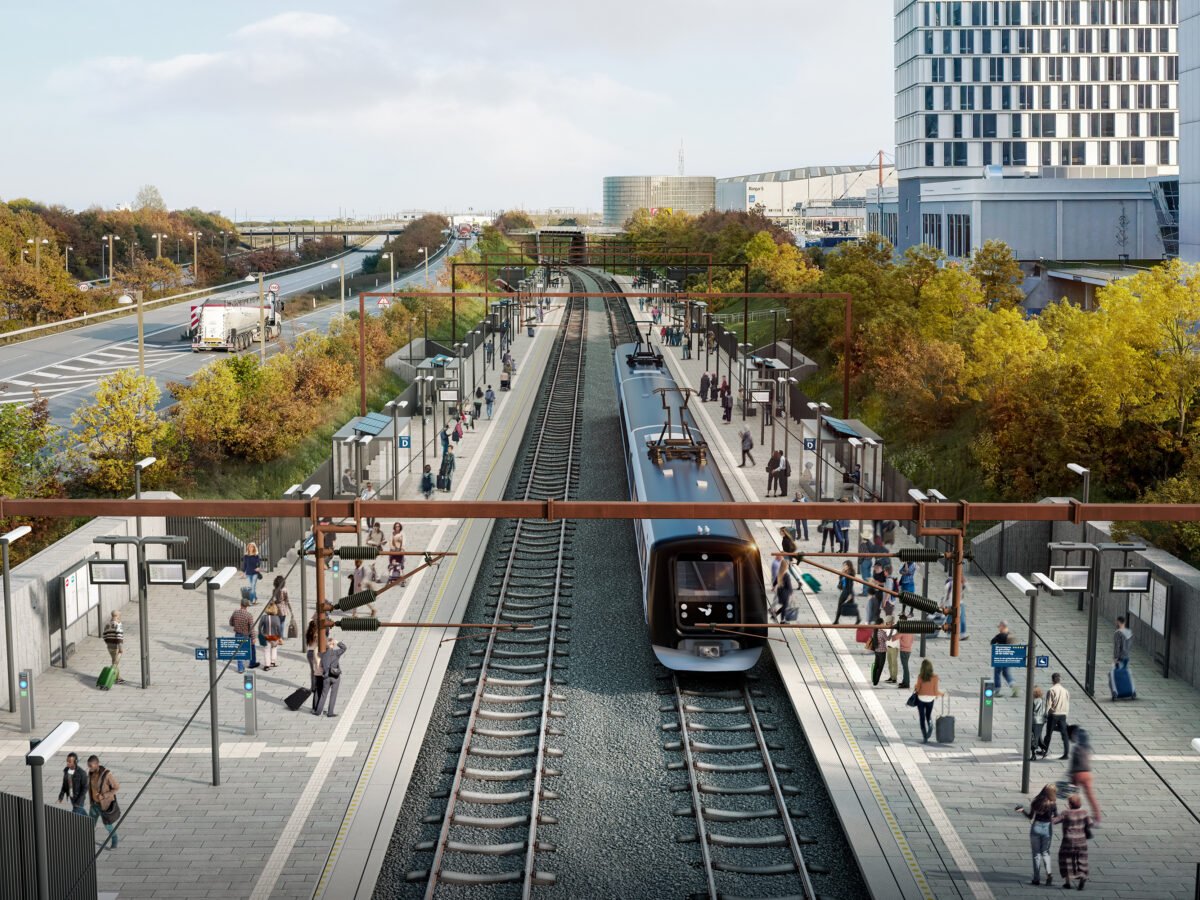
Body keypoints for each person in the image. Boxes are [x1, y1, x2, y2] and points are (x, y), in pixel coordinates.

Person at [1016, 784, 1058, 886]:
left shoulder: (1036, 802)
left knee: (1036, 854)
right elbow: (1056, 817)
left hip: (1036, 827)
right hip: (1047, 828)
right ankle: (1049, 874)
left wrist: (1022, 811)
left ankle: (1036, 878)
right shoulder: (1053, 804)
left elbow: (1030, 816)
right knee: (1045, 852)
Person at [1052, 794, 1093, 890]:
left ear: (1070, 804)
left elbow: (1054, 821)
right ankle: (1082, 875)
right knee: (1082, 859)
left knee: (1066, 859)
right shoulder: (1084, 812)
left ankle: (1068, 882)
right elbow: (1090, 823)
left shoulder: (1065, 813)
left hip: (1068, 841)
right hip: (1081, 841)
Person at [1066, 725, 1102, 822]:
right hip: (1088, 774)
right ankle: (1097, 817)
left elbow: (1074, 764)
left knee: (1073, 794)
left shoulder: (1076, 748)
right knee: (1091, 796)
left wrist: (1069, 774)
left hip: (1077, 774)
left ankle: (1072, 813)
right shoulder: (1087, 747)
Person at [87, 755, 120, 849]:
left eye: (91, 766)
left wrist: (104, 795)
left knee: (108, 826)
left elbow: (116, 787)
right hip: (94, 804)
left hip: (104, 806)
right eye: (88, 765)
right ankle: (86, 841)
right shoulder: (91, 773)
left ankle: (114, 840)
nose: (89, 768)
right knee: (90, 824)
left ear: (97, 764)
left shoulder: (107, 775)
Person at [1041, 672, 1071, 759]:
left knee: (1048, 734)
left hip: (1053, 715)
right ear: (1059, 680)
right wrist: (1066, 713)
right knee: (1064, 734)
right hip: (1063, 714)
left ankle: (1044, 751)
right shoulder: (1065, 691)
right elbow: (1067, 703)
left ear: (1052, 680)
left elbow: (1048, 704)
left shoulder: (1051, 690)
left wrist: (1045, 715)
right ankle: (1066, 754)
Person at [913, 659, 943, 743]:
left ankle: (925, 736)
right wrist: (942, 694)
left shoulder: (920, 677)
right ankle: (930, 724)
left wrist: (916, 686)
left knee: (922, 718)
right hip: (930, 699)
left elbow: (918, 689)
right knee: (928, 715)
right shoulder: (935, 677)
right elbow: (935, 691)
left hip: (921, 699)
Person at [315, 640, 347, 717]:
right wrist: (337, 642)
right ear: (332, 645)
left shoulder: (322, 654)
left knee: (323, 695)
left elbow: (317, 652)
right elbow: (344, 648)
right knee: (333, 695)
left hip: (326, 677)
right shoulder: (336, 653)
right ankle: (330, 712)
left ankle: (318, 711)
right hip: (335, 677)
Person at [991, 620, 1019, 696]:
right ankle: (1014, 688)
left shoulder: (999, 636)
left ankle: (997, 690)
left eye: (999, 627)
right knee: (1006, 673)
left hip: (999, 658)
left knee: (997, 673)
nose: (998, 628)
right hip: (1008, 658)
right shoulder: (1010, 636)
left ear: (1003, 627)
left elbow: (992, 642)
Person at [230, 597, 256, 673]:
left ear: (240, 604)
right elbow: (251, 628)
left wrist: (236, 625)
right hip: (246, 635)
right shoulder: (249, 615)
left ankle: (240, 668)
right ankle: (251, 662)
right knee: (249, 649)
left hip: (237, 634)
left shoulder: (235, 613)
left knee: (238, 651)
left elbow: (231, 623)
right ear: (247, 606)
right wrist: (254, 638)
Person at [59, 752, 89, 816]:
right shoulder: (66, 771)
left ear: (75, 762)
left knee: (74, 815)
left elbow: (85, 787)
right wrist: (61, 796)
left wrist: (79, 800)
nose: (67, 763)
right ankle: (90, 822)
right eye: (67, 761)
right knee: (81, 812)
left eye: (70, 762)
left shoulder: (81, 773)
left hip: (79, 798)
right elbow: (64, 784)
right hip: (72, 797)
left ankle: (89, 823)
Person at [305, 621, 325, 714]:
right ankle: (315, 686)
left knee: (312, 671)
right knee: (316, 670)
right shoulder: (317, 635)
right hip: (315, 653)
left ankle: (312, 686)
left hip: (309, 653)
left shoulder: (308, 633)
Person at [259, 598, 283, 669]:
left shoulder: (264, 617)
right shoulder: (277, 618)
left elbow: (260, 627)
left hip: (266, 636)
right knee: (274, 648)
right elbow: (279, 629)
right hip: (274, 636)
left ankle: (267, 665)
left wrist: (261, 634)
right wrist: (280, 637)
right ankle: (273, 662)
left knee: (266, 650)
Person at [102, 610, 124, 684]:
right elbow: (119, 636)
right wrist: (120, 647)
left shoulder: (107, 624)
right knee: (115, 663)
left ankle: (118, 677)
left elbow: (104, 635)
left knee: (114, 661)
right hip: (116, 646)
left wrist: (108, 643)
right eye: (119, 616)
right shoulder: (118, 624)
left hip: (109, 646)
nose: (120, 617)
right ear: (117, 616)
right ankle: (116, 678)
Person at [270, 575, 293, 641]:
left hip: (276, 607)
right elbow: (287, 600)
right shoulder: (284, 590)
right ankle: (281, 636)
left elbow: (272, 599)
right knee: (282, 622)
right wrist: (291, 610)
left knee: (277, 622)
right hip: (283, 608)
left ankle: (277, 635)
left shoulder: (274, 590)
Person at [868, 618, 889, 686]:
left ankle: (874, 679)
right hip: (882, 652)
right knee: (880, 667)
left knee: (876, 665)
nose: (883, 624)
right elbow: (887, 639)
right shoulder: (882, 632)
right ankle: (876, 681)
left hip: (876, 651)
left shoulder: (874, 631)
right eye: (882, 623)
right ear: (880, 624)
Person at [896, 616, 914, 688]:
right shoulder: (910, 629)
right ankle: (904, 681)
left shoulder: (903, 629)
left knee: (905, 667)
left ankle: (906, 683)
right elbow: (912, 640)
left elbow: (894, 637)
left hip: (904, 650)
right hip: (908, 650)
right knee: (905, 667)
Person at [1031, 686, 1047, 760]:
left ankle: (1033, 754)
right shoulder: (1042, 701)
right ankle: (1044, 750)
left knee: (1033, 737)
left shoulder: (1034, 701)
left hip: (1034, 721)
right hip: (1041, 721)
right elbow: (1045, 712)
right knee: (1038, 736)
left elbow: (1032, 712)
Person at [884, 616, 900, 683]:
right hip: (888, 647)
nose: (887, 624)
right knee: (890, 663)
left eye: (888, 623)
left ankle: (894, 678)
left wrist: (892, 629)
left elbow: (890, 637)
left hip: (894, 648)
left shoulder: (895, 629)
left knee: (894, 663)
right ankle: (891, 676)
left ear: (891, 622)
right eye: (886, 623)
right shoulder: (888, 628)